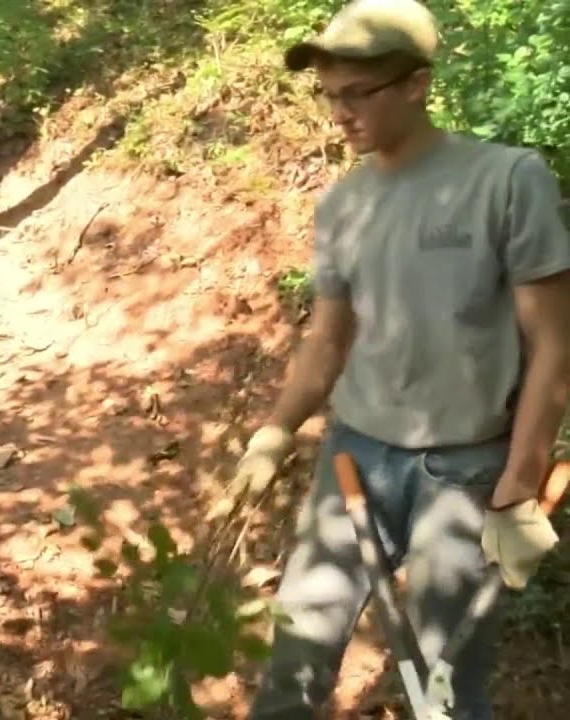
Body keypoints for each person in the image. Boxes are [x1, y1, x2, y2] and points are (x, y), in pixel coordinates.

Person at [230, 1, 567, 717]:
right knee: (293, 665)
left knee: (444, 691)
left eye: (358, 93)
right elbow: (327, 344)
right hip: (353, 457)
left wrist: (520, 482)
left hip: (466, 470)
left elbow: (554, 347)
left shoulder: (506, 180)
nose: (339, 114)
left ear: (416, 84)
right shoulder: (343, 206)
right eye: (329, 96)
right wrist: (275, 433)